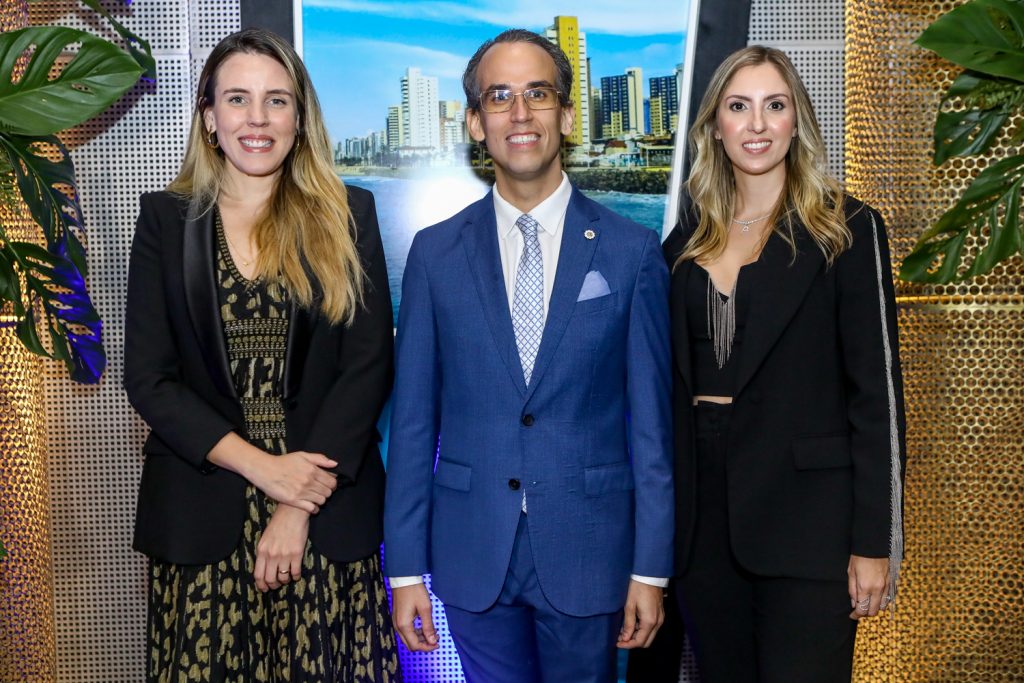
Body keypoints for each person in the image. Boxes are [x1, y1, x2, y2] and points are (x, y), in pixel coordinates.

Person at [383, 28, 674, 683]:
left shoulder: (631, 252)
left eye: (537, 94)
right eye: (500, 96)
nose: (520, 112)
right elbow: (411, 425)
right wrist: (405, 570)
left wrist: (650, 567)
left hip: (590, 547)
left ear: (566, 116)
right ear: (475, 122)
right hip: (470, 550)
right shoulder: (434, 254)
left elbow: (654, 430)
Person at [124, 28, 401, 682]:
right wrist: (264, 470)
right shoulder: (165, 221)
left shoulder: (348, 213)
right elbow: (149, 378)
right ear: (209, 115)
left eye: (276, 101)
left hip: (325, 513)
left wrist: (294, 502)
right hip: (200, 516)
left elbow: (369, 366)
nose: (257, 118)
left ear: (300, 119)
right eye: (238, 99)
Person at [662, 46, 906, 682]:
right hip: (702, 527)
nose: (758, 125)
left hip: (809, 527)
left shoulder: (846, 229)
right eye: (739, 108)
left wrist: (873, 544)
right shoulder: (685, 240)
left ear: (797, 120)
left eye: (776, 106)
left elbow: (877, 400)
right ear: (715, 124)